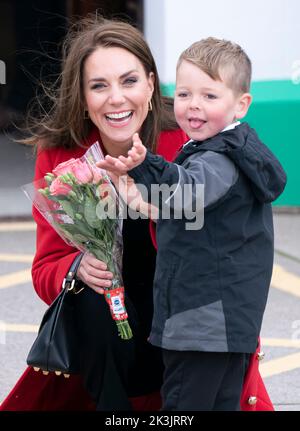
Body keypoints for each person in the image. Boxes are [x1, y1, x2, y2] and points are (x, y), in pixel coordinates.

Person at [0, 19, 273, 411]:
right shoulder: (60, 153)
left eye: (128, 81)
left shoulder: (187, 139)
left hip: (190, 323)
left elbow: (235, 242)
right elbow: (45, 270)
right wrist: (75, 267)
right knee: (90, 300)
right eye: (98, 86)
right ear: (82, 95)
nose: (116, 99)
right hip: (108, 341)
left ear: (149, 84)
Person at [97, 37, 287, 411]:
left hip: (200, 325)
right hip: (228, 325)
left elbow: (188, 190)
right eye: (184, 94)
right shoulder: (231, 151)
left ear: (241, 104)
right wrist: (138, 198)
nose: (194, 105)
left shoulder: (218, 159)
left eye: (209, 96)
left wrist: (146, 164)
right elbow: (188, 210)